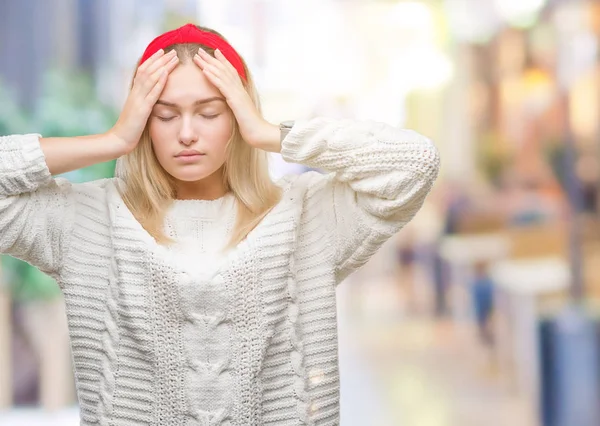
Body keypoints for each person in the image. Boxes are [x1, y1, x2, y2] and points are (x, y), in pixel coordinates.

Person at [0, 23, 440, 425]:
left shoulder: (307, 216)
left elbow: (414, 163)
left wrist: (269, 133)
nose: (187, 132)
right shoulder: (87, 221)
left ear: (237, 115)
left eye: (210, 112)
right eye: (165, 115)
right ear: (141, 120)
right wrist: (113, 140)